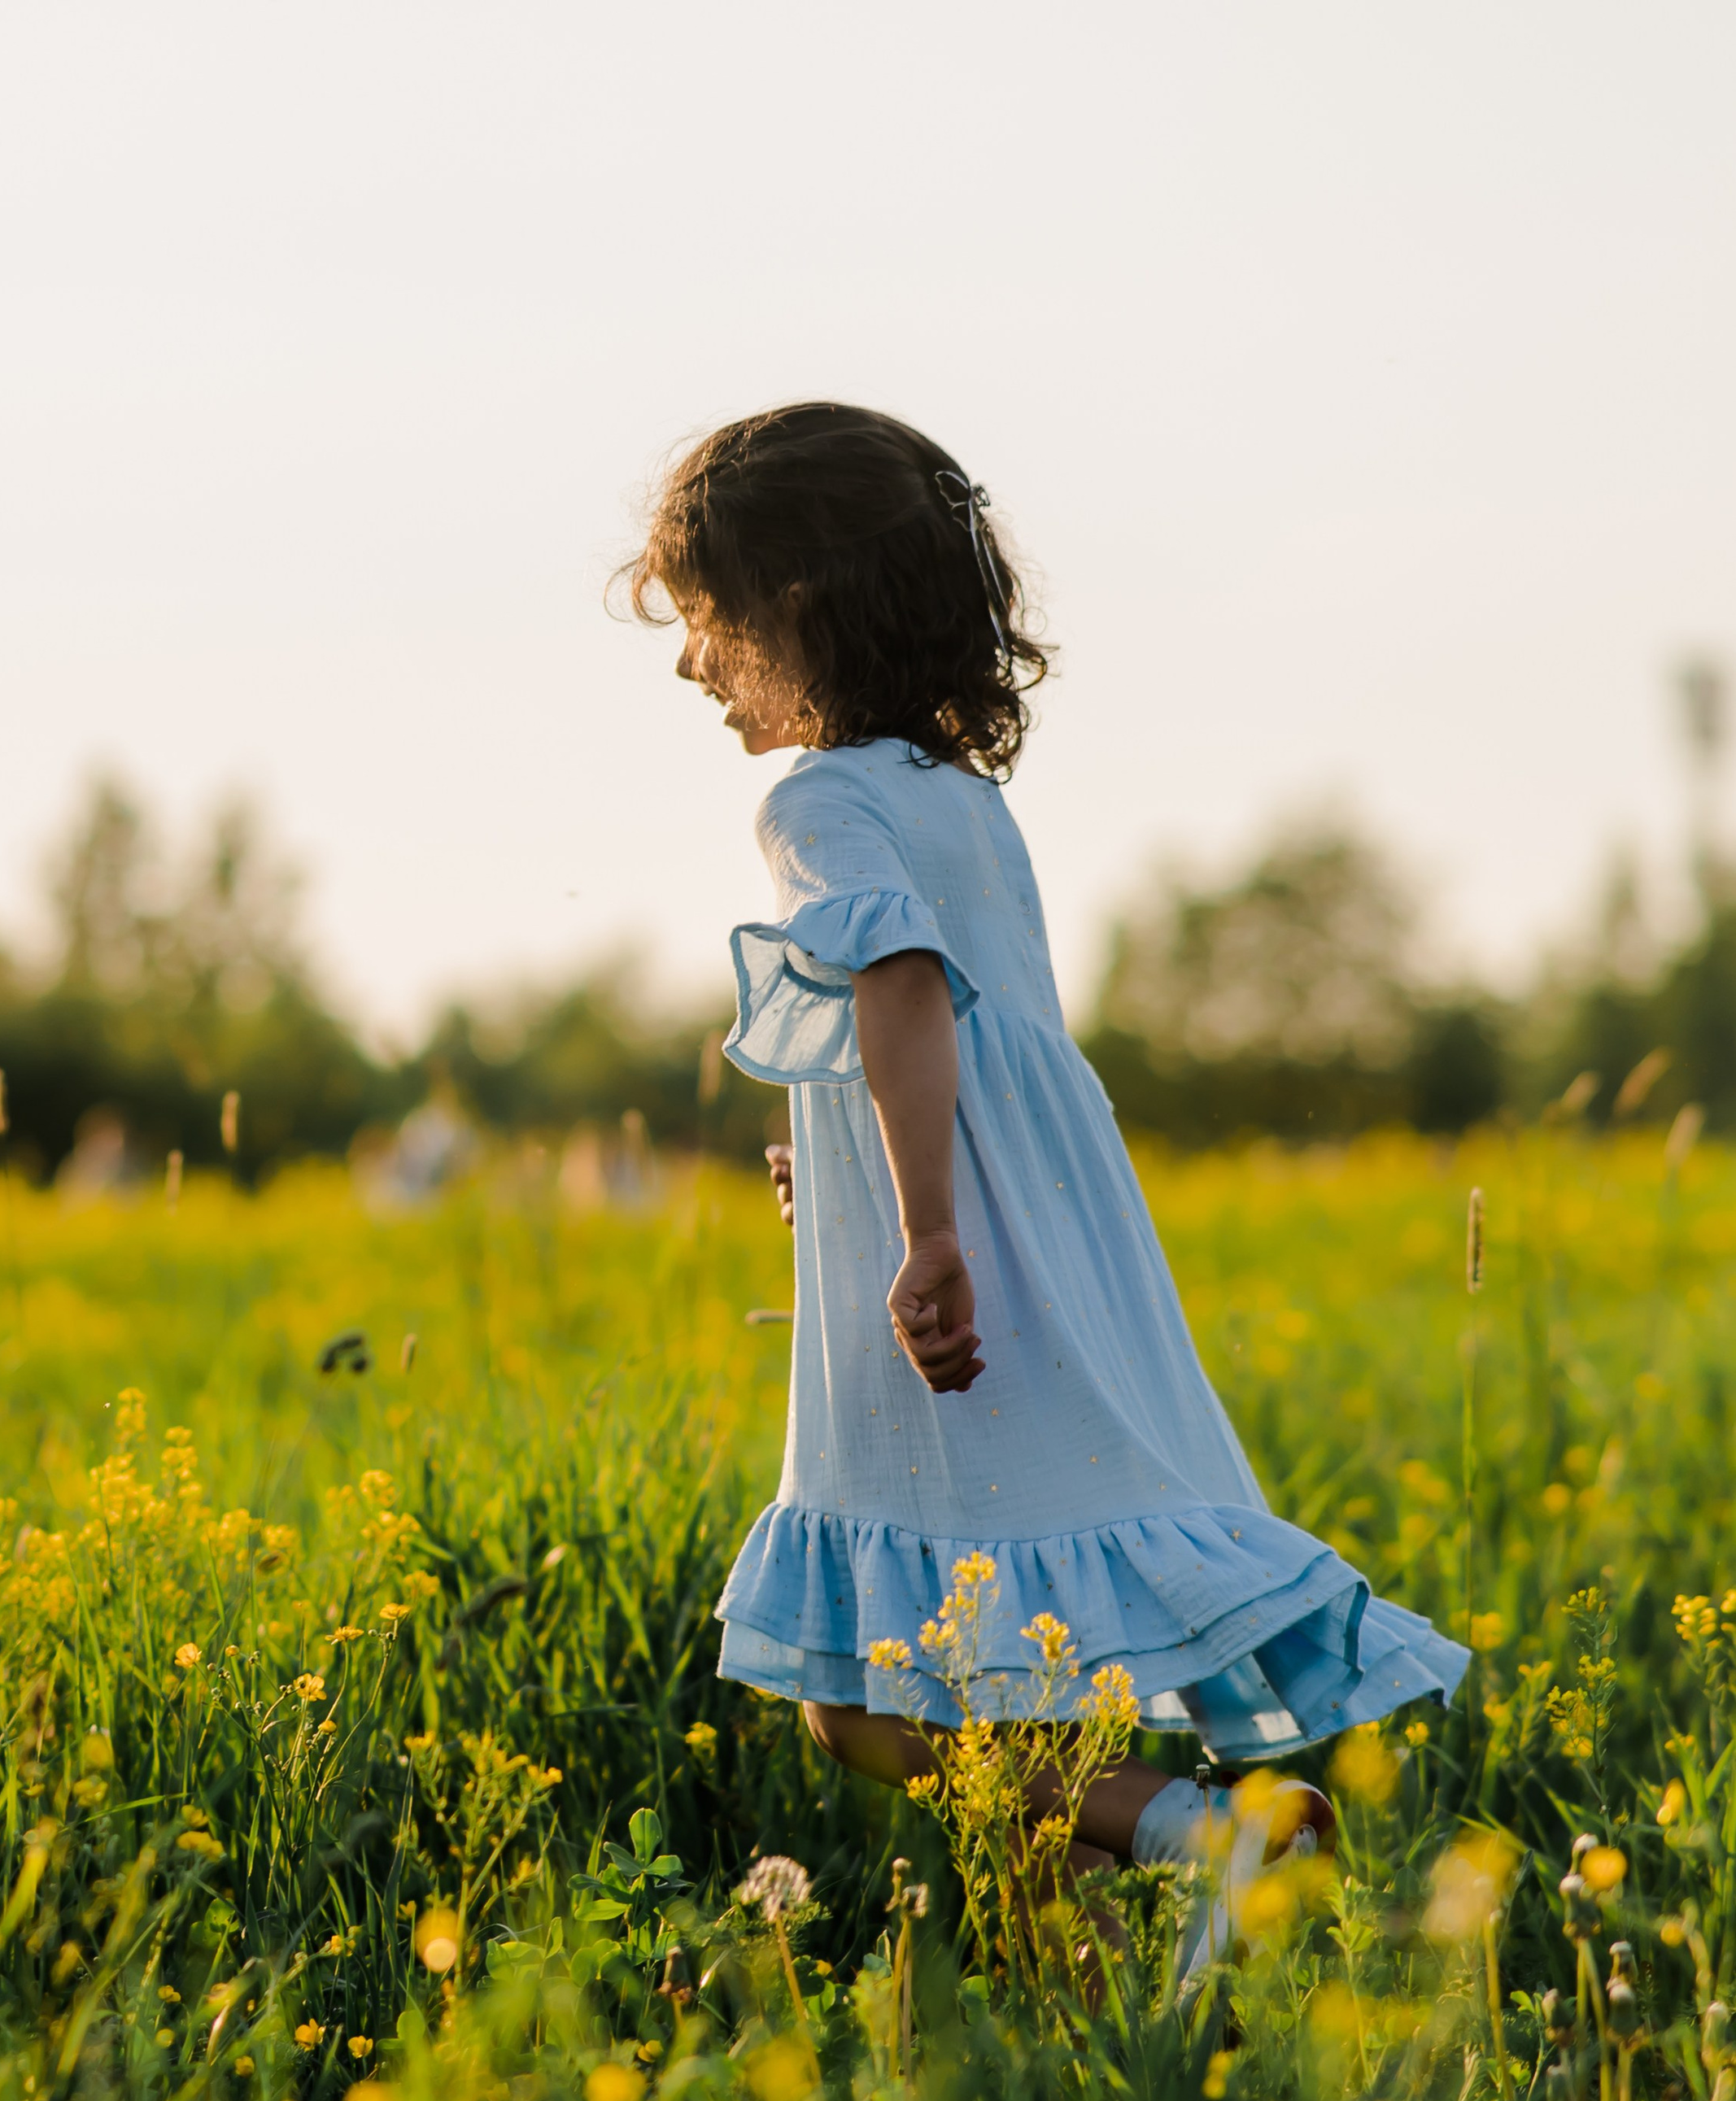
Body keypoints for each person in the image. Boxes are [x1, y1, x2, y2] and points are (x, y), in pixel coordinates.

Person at [627, 402, 1467, 1945]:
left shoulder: (811, 802)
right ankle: (1094, 1997)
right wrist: (873, 1192)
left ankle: (1204, 1830)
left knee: (866, 1705)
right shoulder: (967, 802)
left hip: (960, 1300)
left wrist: (926, 1234)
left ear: (793, 607)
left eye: (706, 621)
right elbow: (979, 1049)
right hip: (1054, 1264)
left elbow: (898, 987)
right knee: (998, 1686)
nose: (692, 664)